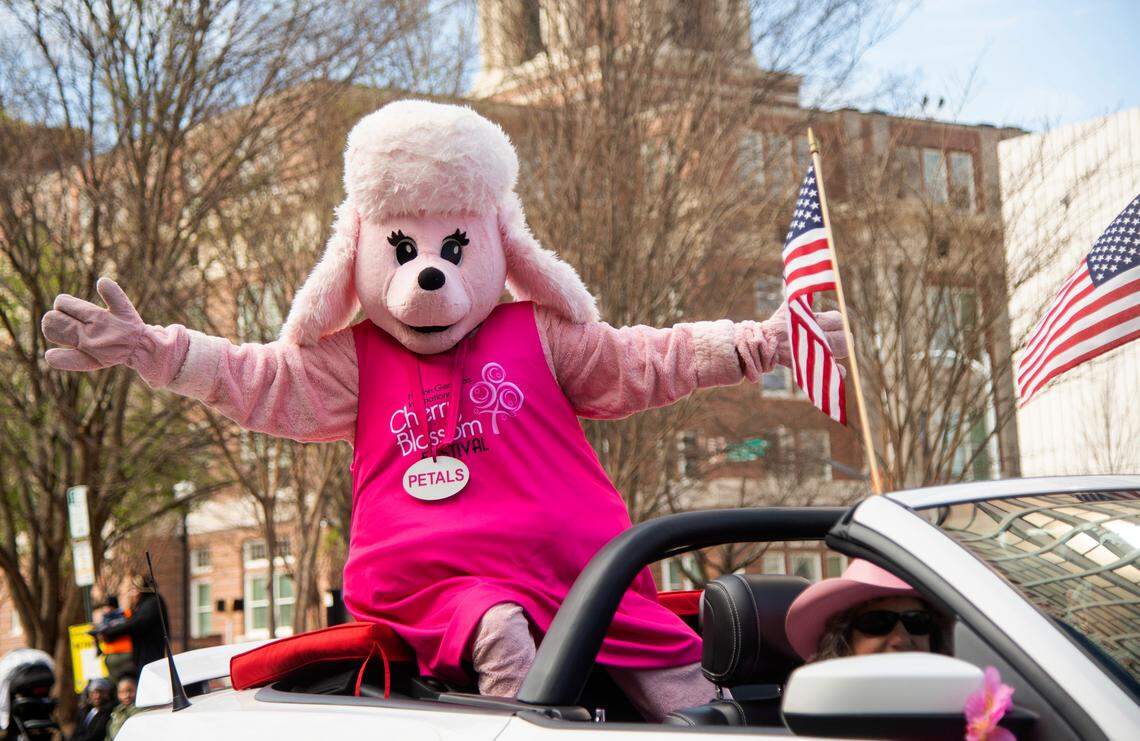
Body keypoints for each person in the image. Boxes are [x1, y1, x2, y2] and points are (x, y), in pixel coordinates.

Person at [40, 100, 850, 722]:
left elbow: (644, 359)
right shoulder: (354, 355)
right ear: (356, 251)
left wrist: (765, 341)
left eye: (452, 249)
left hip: (585, 578)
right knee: (500, 631)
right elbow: (260, 378)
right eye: (404, 250)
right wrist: (159, 352)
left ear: (500, 242)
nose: (429, 274)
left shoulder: (540, 331)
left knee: (685, 687)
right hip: (436, 586)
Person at [784, 559, 949, 662]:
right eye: (878, 622)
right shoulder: (825, 709)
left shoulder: (962, 705)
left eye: (917, 621)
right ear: (844, 642)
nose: (902, 639)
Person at [92, 581, 168, 677]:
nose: (130, 595)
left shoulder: (148, 604)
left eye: (133, 590)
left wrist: (110, 631)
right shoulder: (143, 606)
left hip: (135, 655)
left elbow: (134, 624)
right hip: (122, 655)